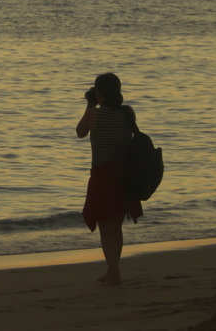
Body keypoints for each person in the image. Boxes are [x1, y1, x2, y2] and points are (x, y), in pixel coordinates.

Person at [76, 73, 142, 286]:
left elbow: (80, 132)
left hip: (103, 176)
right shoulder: (128, 112)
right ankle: (112, 272)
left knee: (106, 229)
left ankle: (116, 275)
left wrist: (89, 105)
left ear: (99, 92)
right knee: (116, 228)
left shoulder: (93, 114)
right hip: (124, 175)